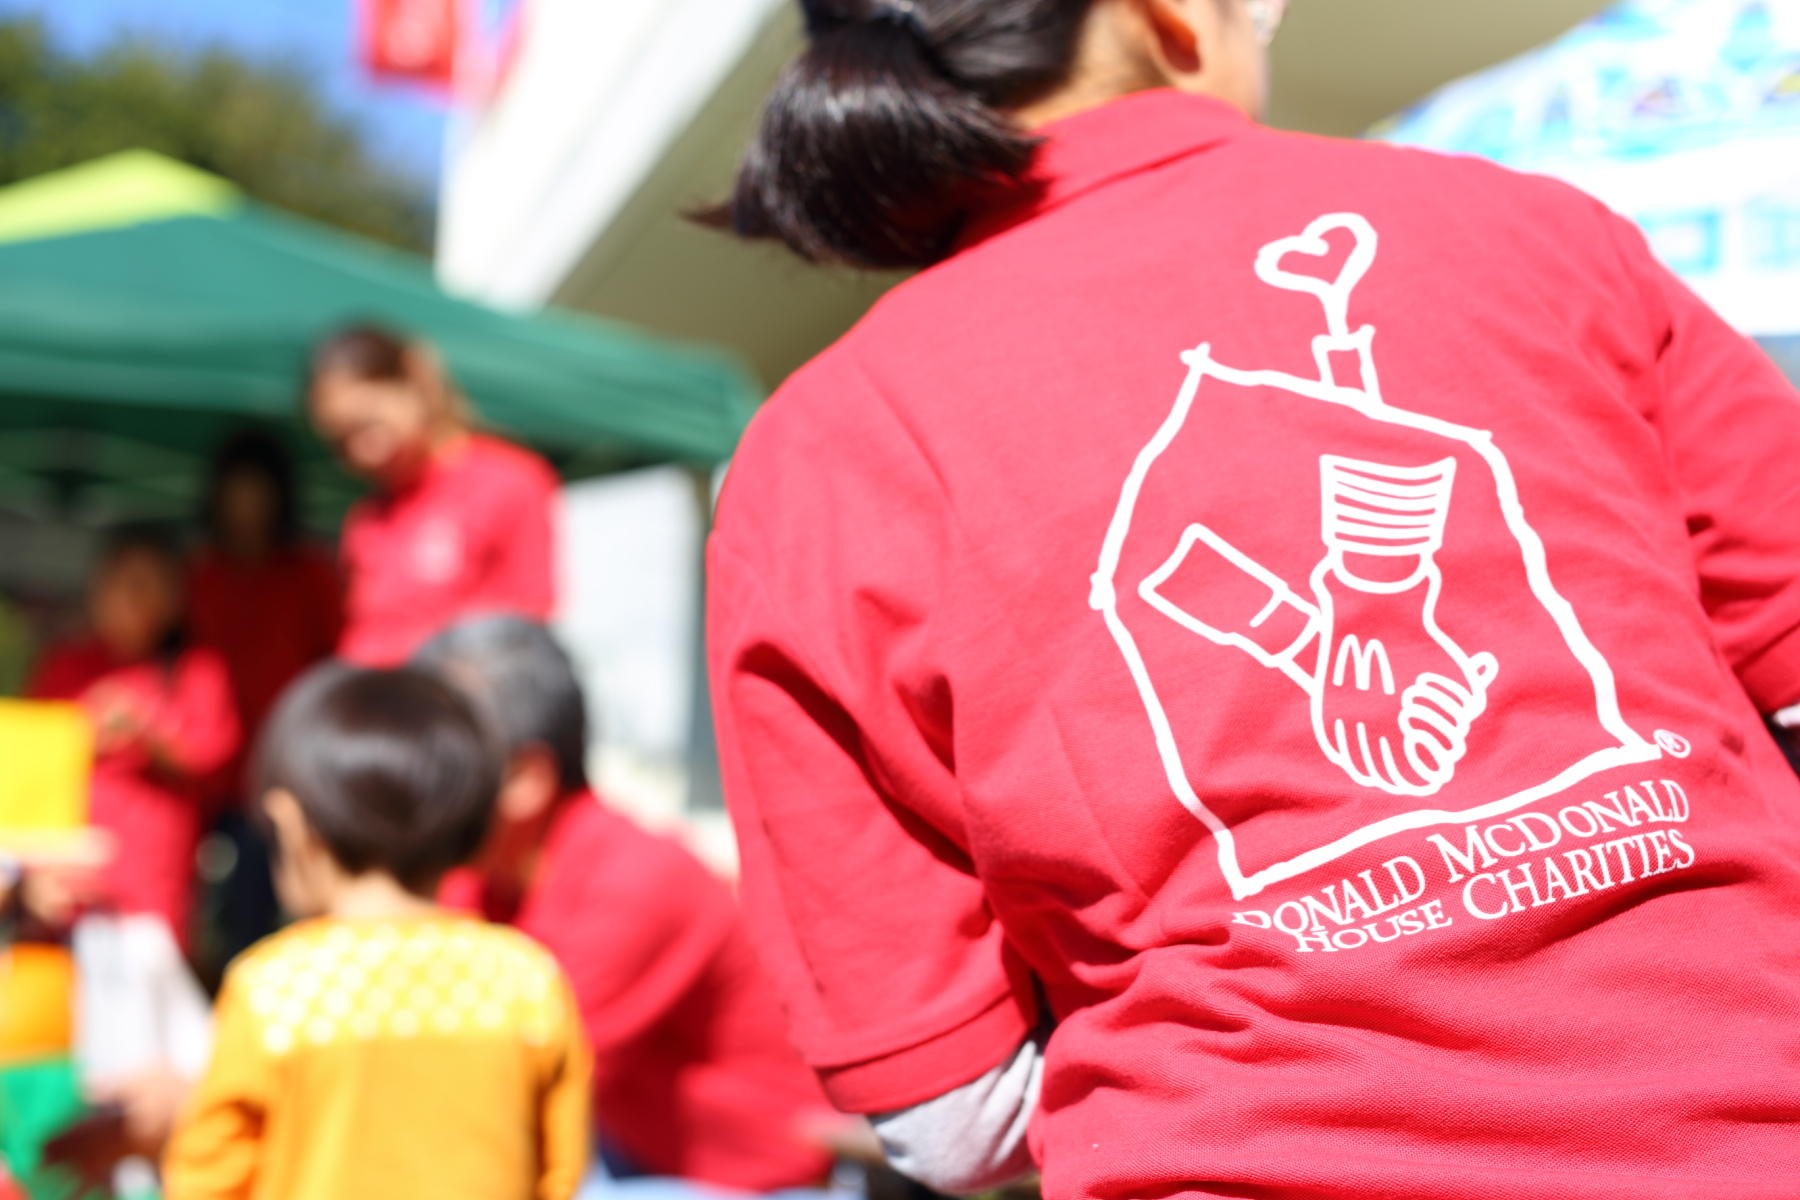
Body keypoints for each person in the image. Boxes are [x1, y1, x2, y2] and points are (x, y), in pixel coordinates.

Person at [703, 2, 1800, 1198]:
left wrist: (1331, 647)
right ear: (1169, 14)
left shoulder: (813, 456)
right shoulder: (1527, 227)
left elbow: (952, 1119)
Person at [414, 617, 836, 1198]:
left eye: (435, 763)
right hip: (627, 1153)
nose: (407, 783)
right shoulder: (481, 880)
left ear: (525, 778)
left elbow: (501, 1085)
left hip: (758, 1184)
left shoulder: (635, 882)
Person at [162, 665, 591, 1200]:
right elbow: (560, 1171)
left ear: (292, 824)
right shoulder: (528, 980)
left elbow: (207, 1177)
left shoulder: (275, 989)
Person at [27, 527, 239, 946]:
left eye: (143, 585)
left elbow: (215, 760)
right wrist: (83, 735)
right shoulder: (65, 665)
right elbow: (29, 762)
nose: (126, 599)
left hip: (150, 885)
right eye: (116, 583)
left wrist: (147, 735)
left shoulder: (197, 670)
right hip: (65, 883)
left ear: (174, 598)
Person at [306, 323, 559, 666]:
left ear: (414, 380)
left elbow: (529, 620)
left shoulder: (510, 481)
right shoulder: (367, 521)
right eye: (341, 442)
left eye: (368, 426)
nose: (362, 452)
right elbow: (363, 635)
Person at [189, 428, 342, 966]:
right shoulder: (203, 575)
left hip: (288, 770)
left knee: (275, 909)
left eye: (257, 494)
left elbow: (334, 664)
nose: (246, 509)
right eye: (237, 493)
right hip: (207, 772)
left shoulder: (310, 574)